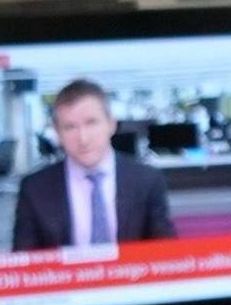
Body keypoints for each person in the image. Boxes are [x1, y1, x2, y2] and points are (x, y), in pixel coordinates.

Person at [10, 79, 177, 251]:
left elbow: (164, 253)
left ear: (111, 125)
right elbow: (23, 264)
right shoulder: (34, 188)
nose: (83, 138)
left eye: (91, 123)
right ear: (58, 133)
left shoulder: (147, 181)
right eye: (70, 127)